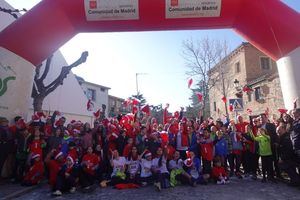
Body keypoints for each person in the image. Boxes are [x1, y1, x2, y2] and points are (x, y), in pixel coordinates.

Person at [259, 113, 281, 179]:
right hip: (263, 148)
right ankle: (269, 175)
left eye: (262, 117)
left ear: (266, 118)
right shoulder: (259, 127)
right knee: (266, 162)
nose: (261, 119)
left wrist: (276, 142)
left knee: (274, 161)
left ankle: (277, 175)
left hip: (271, 146)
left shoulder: (271, 125)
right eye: (260, 118)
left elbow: (275, 134)